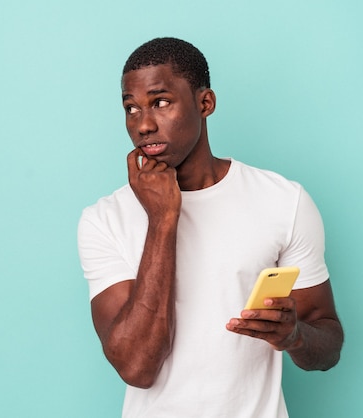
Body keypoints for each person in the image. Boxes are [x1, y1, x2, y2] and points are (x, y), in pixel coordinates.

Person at [77, 37, 343, 418]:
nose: (144, 124)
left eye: (161, 102)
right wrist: (162, 219)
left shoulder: (284, 201)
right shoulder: (104, 219)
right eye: (130, 108)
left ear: (205, 103)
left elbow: (328, 346)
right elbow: (137, 367)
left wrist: (295, 335)